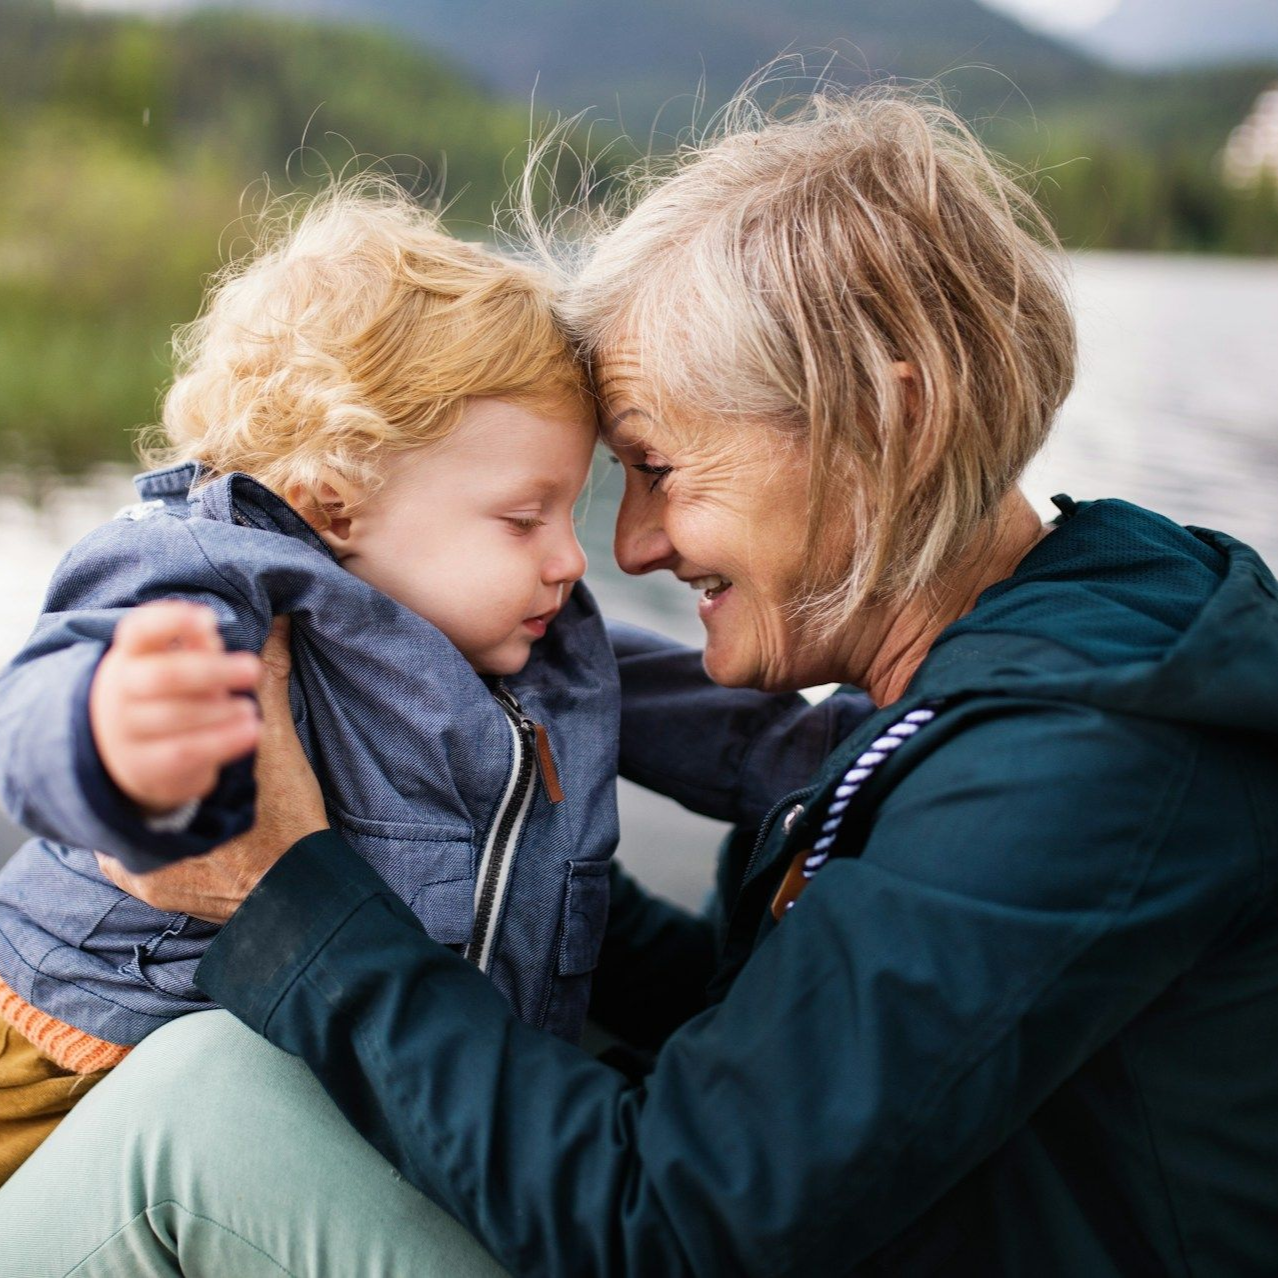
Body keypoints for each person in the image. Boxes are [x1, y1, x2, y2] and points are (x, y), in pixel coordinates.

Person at [3, 88, 1278, 1275]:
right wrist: (505, 871)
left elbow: (680, 1216)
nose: (629, 549)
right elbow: (783, 1043)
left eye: (659, 467)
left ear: (887, 427)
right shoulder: (1022, 679)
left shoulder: (1077, 762)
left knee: (194, 1113)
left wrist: (284, 893)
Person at [0, 178, 863, 1187]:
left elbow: (742, 735)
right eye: (524, 516)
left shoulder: (537, 640)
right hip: (82, 1070)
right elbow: (40, 701)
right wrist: (113, 738)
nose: (572, 558)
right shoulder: (219, 580)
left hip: (374, 1089)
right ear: (337, 505)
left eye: (566, 510)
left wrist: (904, 744)